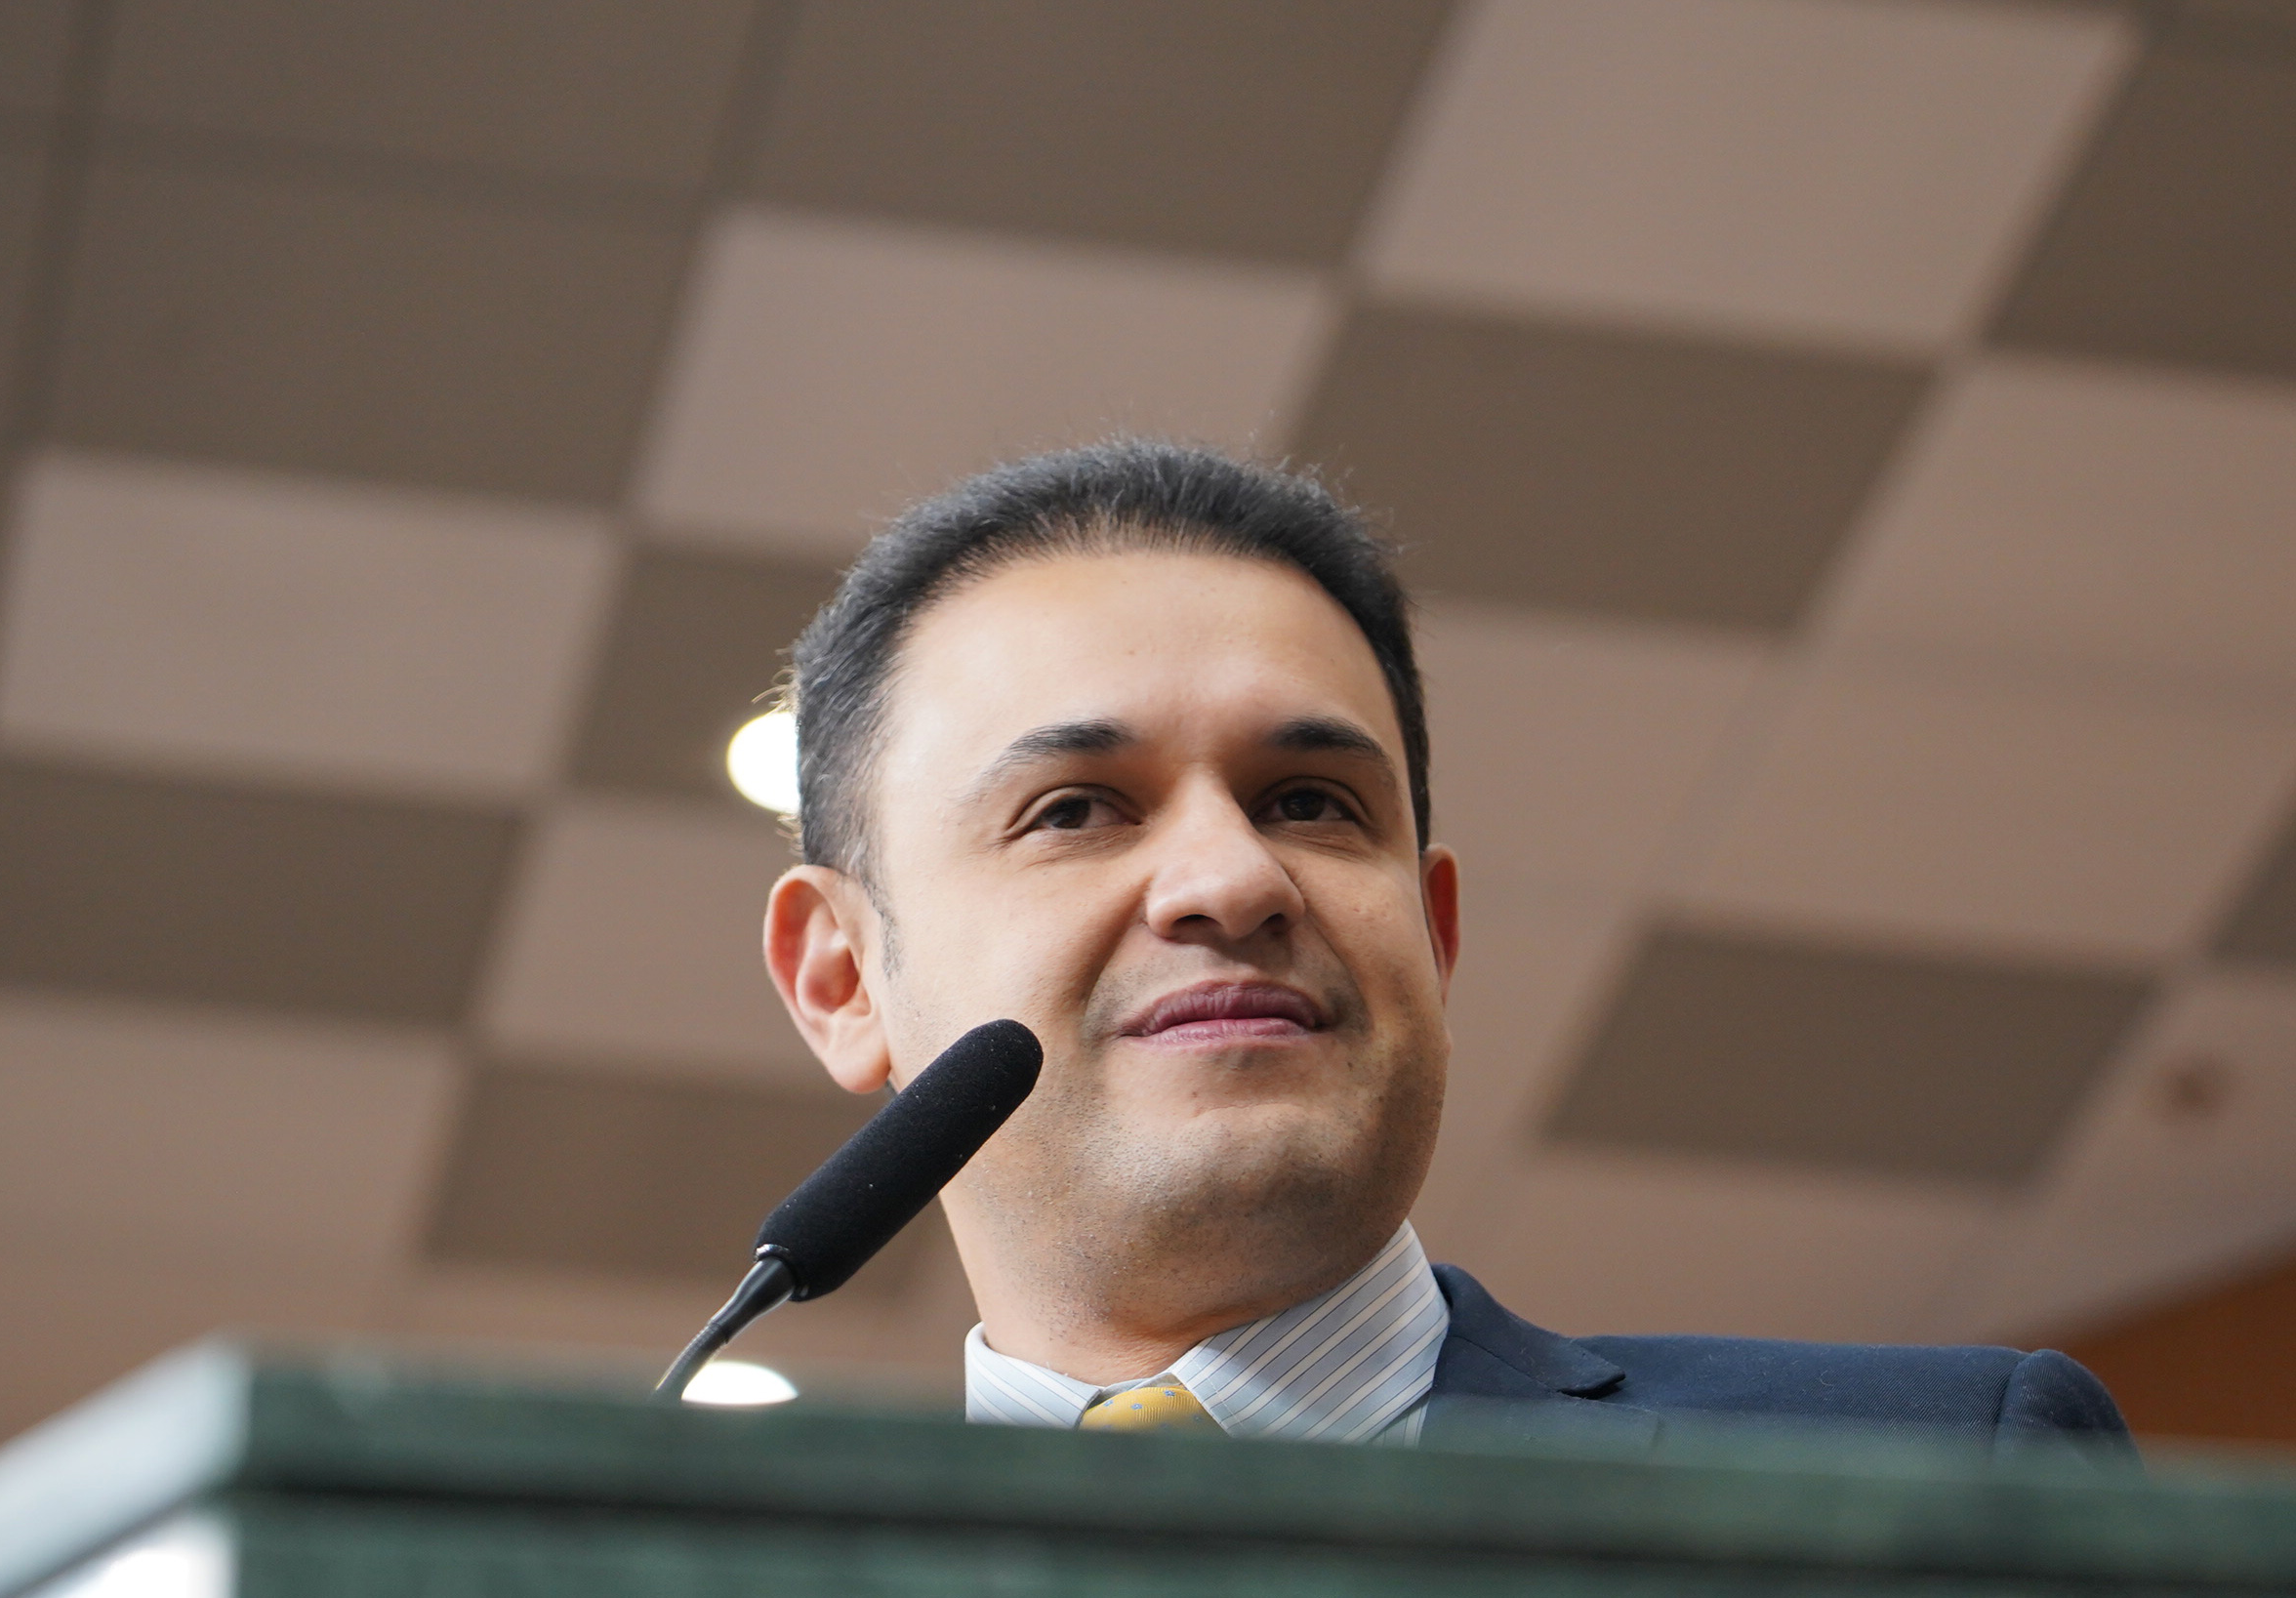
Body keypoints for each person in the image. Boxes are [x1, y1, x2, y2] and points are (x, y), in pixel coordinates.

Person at [760, 439, 2128, 1456]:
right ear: (840, 977)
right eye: (1074, 810)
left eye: (1311, 803)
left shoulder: (1939, 1478)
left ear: (1434, 931)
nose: (1235, 878)